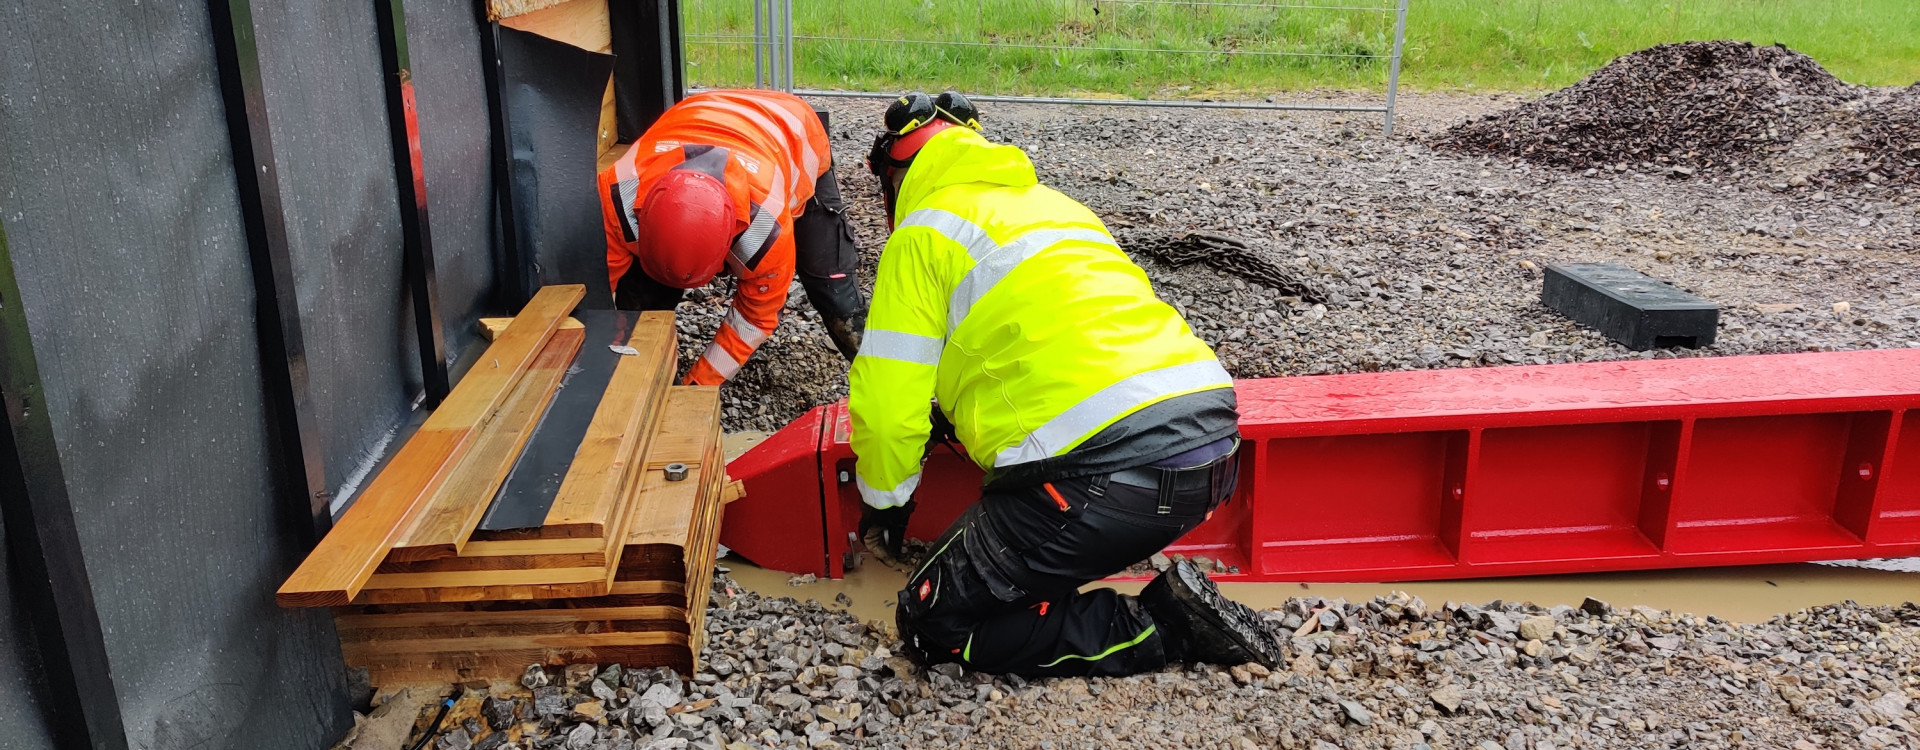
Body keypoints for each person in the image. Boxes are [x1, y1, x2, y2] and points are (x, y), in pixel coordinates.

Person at [847, 91, 1282, 677]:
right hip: (1213, 447)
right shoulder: (1057, 206)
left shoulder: (922, 233)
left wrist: (886, 504)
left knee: (934, 624)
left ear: (898, 179)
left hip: (1102, 479)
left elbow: (886, 408)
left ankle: (1162, 629)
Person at [597, 89, 866, 386]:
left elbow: (752, 319)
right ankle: (639, 367)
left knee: (832, 287)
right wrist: (609, 357)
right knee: (640, 292)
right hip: (704, 111)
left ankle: (883, 382)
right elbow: (598, 289)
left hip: (792, 127)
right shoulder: (616, 195)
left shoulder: (767, 229)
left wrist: (697, 388)